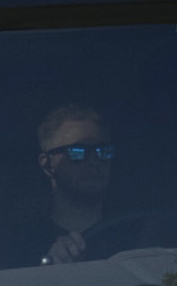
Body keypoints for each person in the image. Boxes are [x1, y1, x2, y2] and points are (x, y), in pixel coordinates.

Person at [33, 101, 127, 263]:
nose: (94, 161)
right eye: (77, 152)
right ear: (47, 164)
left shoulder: (137, 235)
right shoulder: (22, 244)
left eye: (103, 152)